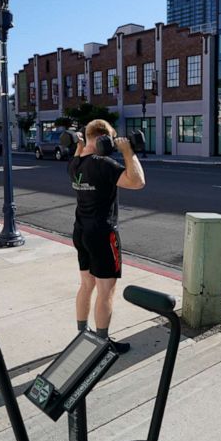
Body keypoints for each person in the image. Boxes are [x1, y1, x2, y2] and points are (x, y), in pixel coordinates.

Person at [68, 120, 145, 353]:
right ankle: (101, 344)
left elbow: (79, 153)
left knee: (86, 284)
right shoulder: (104, 164)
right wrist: (127, 151)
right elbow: (138, 181)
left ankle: (82, 335)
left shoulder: (75, 163)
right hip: (102, 234)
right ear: (105, 139)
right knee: (106, 290)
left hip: (80, 232)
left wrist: (80, 144)